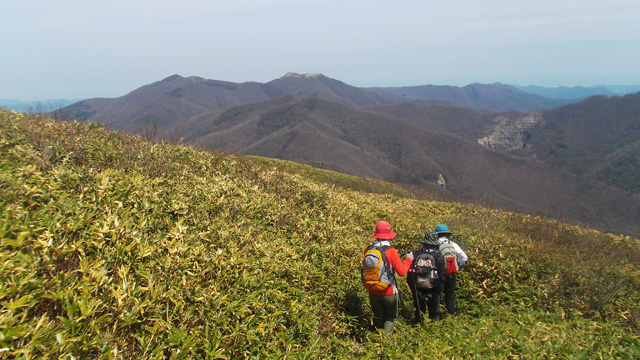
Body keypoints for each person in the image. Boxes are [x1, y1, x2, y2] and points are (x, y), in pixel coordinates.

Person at [363, 221, 413, 335]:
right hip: (389, 291)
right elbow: (401, 272)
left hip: (373, 290)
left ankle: (374, 340)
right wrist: (409, 259)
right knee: (390, 317)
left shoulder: (368, 250)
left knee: (378, 317)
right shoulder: (391, 251)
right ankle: (385, 343)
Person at [407, 233, 447, 323]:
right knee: (434, 311)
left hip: (418, 287)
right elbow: (442, 274)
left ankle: (418, 328)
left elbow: (410, 273)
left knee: (419, 311)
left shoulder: (416, 254)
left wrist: (413, 288)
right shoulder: (438, 256)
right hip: (433, 287)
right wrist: (438, 288)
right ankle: (433, 328)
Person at [435, 224, 468, 316]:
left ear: (437, 234)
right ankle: (451, 315)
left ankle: (436, 316)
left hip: (439, 274)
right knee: (449, 295)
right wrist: (458, 266)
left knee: (437, 294)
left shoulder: (435, 244)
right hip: (451, 273)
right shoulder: (453, 244)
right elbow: (464, 257)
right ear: (447, 234)